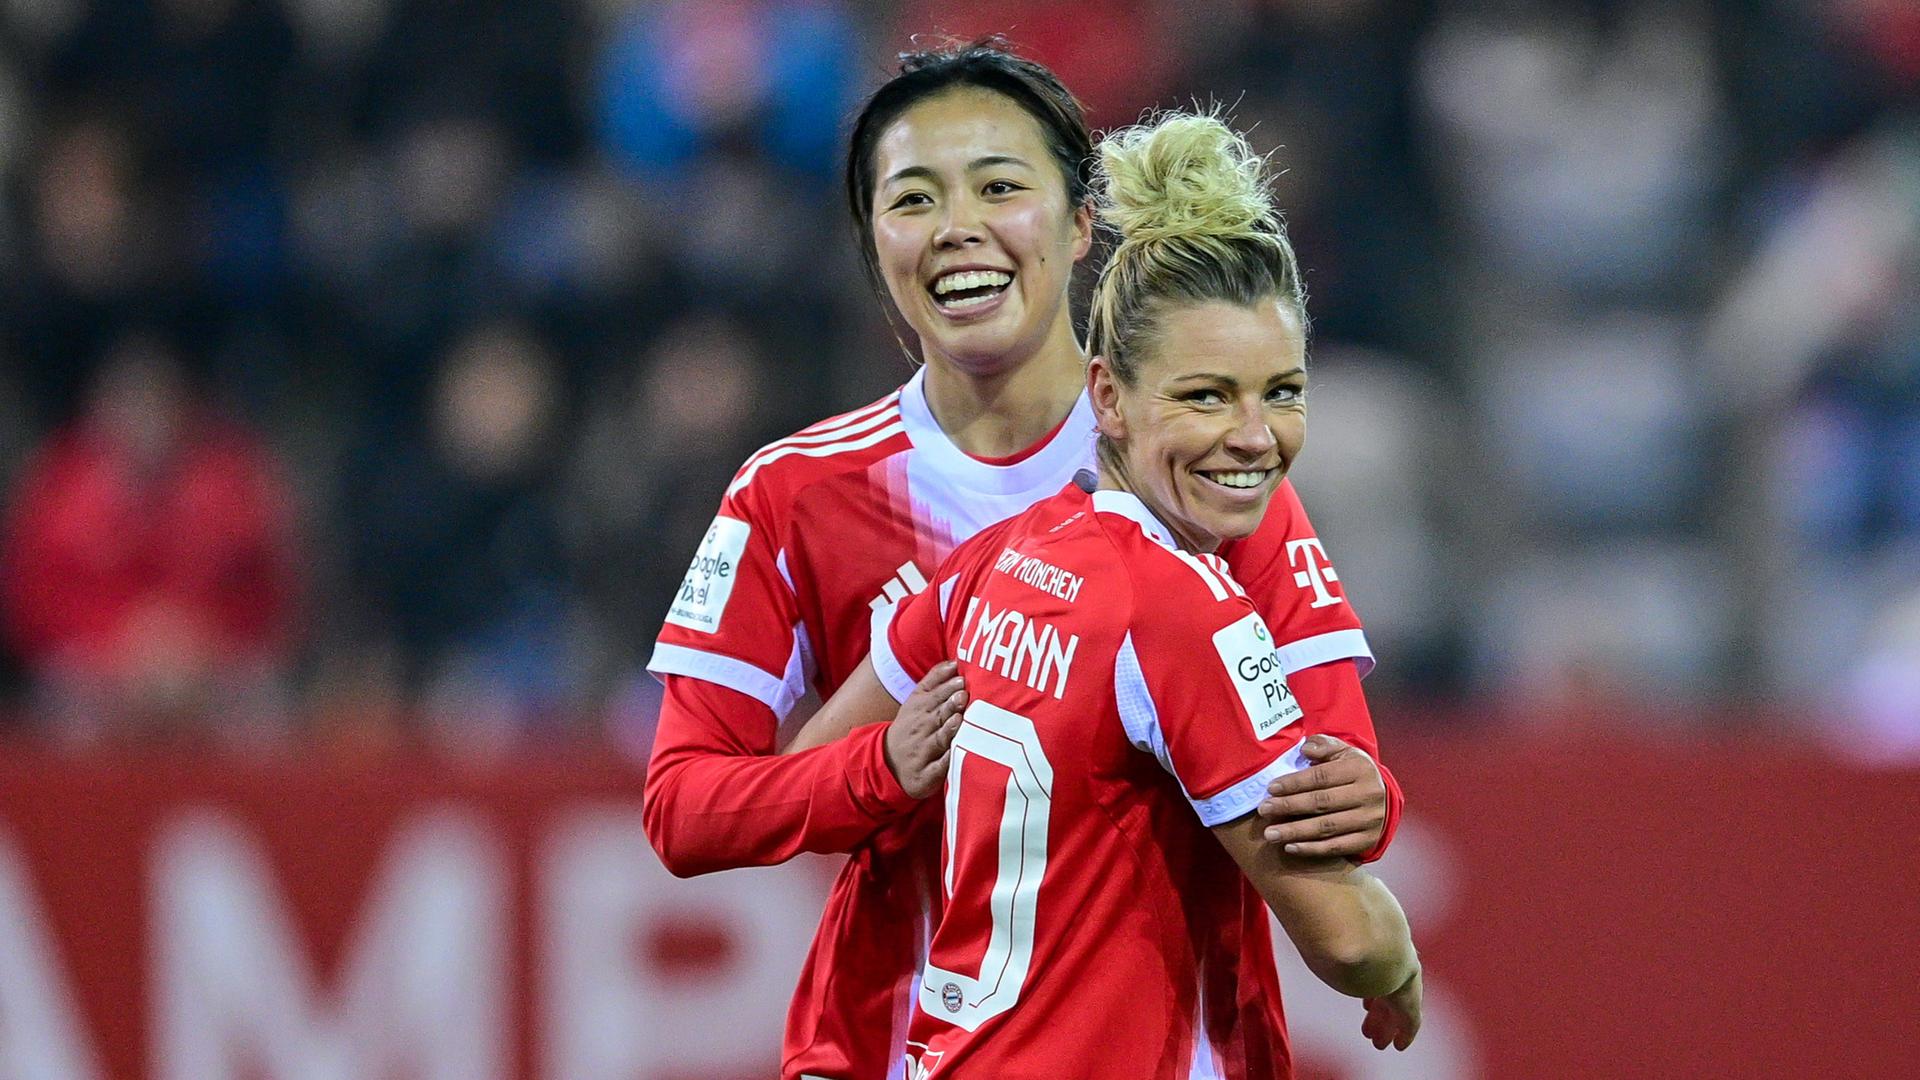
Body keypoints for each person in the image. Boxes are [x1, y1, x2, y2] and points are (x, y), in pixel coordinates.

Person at [643, 39, 1403, 1080]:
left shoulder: (1208, 470)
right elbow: (683, 806)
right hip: (879, 1048)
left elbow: (1333, 766)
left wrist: (1369, 790)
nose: (959, 228)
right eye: (913, 200)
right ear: (874, 247)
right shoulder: (790, 496)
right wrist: (879, 769)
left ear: (1082, 222)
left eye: (1000, 186)